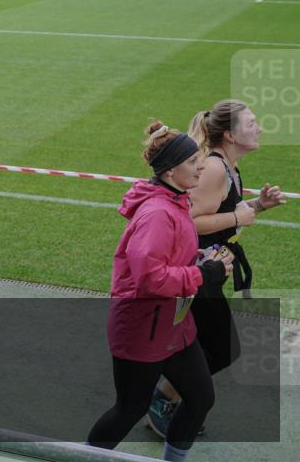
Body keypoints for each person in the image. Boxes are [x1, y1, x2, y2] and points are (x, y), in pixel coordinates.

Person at [86, 121, 234, 462]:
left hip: (173, 325)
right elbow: (150, 278)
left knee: (200, 398)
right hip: (142, 330)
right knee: (129, 409)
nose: (202, 166)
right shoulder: (156, 213)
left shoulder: (176, 199)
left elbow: (168, 257)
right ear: (169, 171)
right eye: (193, 162)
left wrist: (196, 258)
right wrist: (201, 273)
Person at [147, 100, 288, 436]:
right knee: (222, 349)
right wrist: (239, 216)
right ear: (229, 134)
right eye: (252, 123)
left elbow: (220, 209)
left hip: (209, 272)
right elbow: (189, 221)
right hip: (196, 273)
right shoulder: (214, 167)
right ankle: (160, 399)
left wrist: (256, 205)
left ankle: (165, 396)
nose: (260, 128)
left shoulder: (228, 166)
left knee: (199, 344)